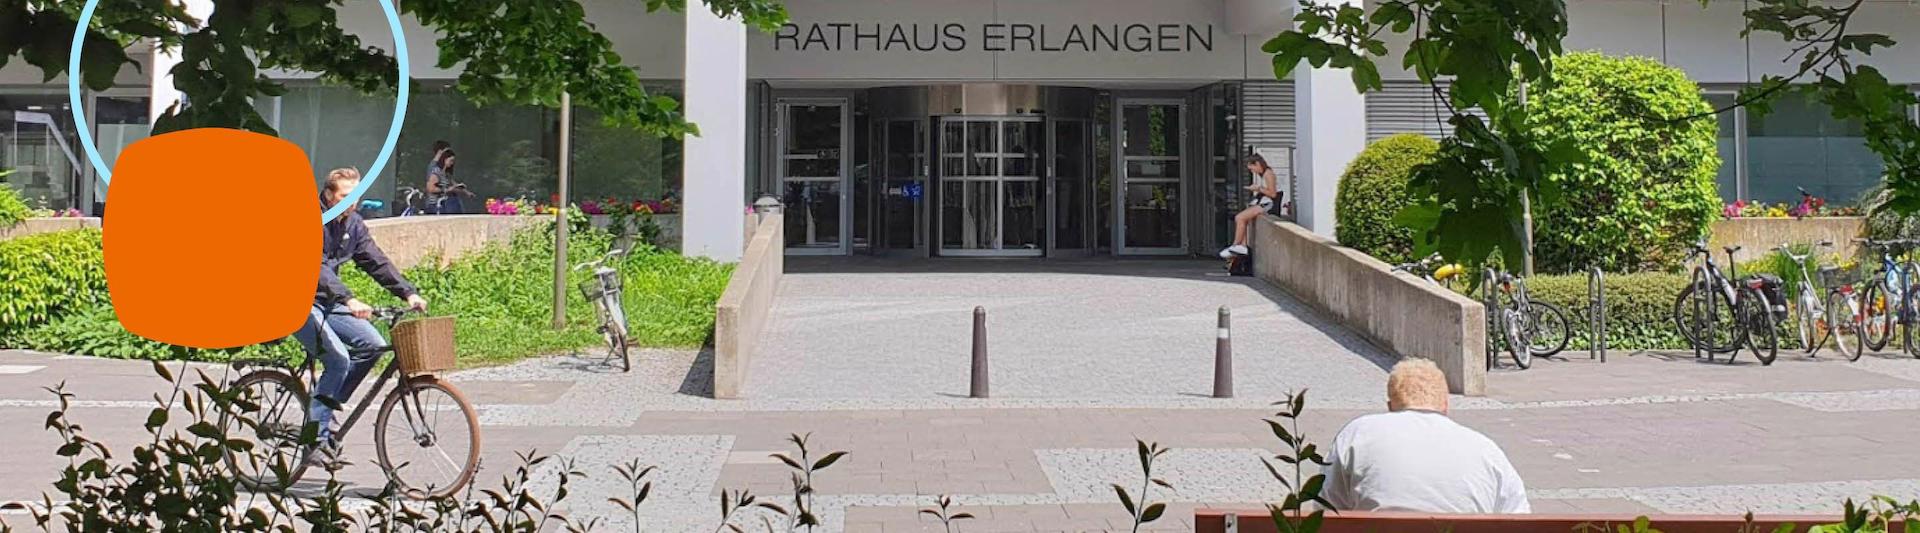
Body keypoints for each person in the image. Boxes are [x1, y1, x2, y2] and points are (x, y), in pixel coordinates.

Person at [306, 168, 429, 464]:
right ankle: (314, 438)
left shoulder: (354, 224)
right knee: (337, 359)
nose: (352, 203)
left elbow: (375, 261)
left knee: (372, 345)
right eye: (345, 196)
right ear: (328, 194)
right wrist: (349, 299)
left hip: (328, 301)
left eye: (356, 196)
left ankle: (326, 405)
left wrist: (407, 292)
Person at [1321, 358, 1530, 514]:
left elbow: (1328, 506)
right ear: (1445, 405)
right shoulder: (1486, 450)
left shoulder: (1357, 433)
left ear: (1390, 406)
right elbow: (1517, 514)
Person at [1220, 153, 1281, 259]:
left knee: (1240, 217)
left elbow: (1273, 193)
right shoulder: (1264, 174)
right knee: (1244, 218)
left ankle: (1237, 245)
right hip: (1264, 202)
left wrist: (1258, 188)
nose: (1253, 172)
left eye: (1253, 169)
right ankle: (1242, 245)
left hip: (1269, 204)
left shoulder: (1268, 174)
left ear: (1257, 164)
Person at [426, 147, 470, 214]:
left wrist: (465, 192)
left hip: (445, 204)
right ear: (445, 159)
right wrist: (446, 190)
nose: (452, 163)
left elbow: (453, 184)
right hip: (436, 205)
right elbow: (430, 188)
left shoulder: (446, 174)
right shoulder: (436, 171)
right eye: (451, 160)